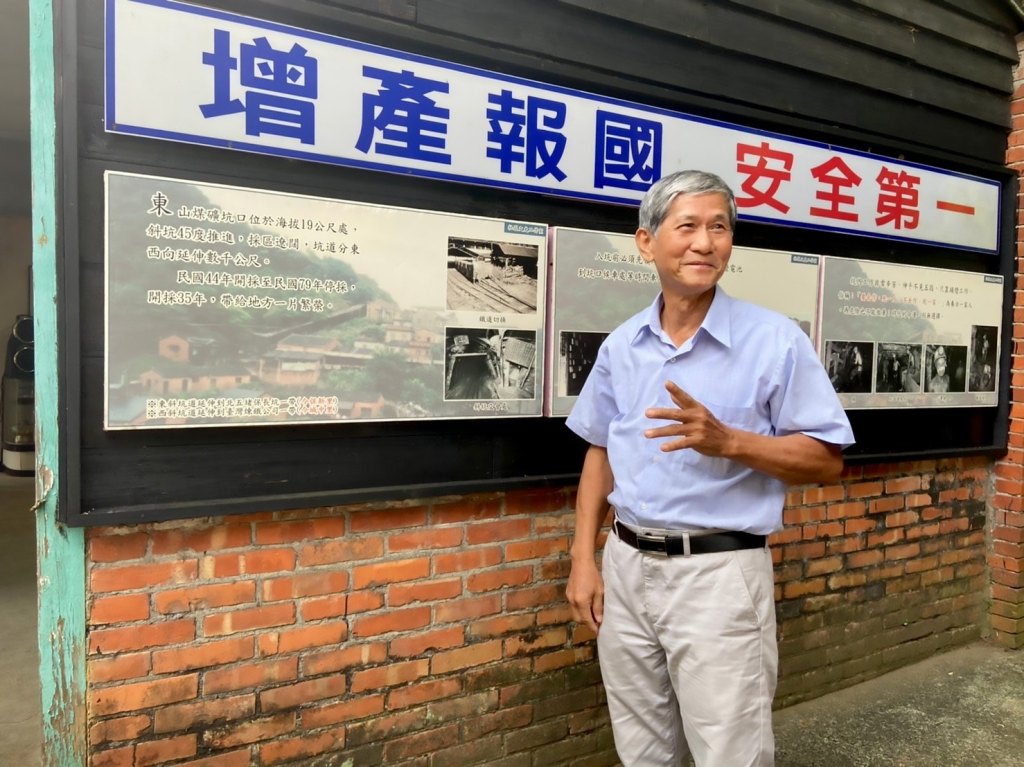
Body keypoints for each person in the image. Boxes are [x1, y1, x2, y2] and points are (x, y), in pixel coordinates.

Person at [565, 170, 854, 767]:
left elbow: (827, 461)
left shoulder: (774, 341)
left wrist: (732, 442)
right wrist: (582, 561)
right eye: (688, 226)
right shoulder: (622, 345)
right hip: (625, 566)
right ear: (646, 242)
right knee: (641, 742)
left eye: (718, 227)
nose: (704, 242)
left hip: (719, 574)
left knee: (731, 748)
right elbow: (599, 450)